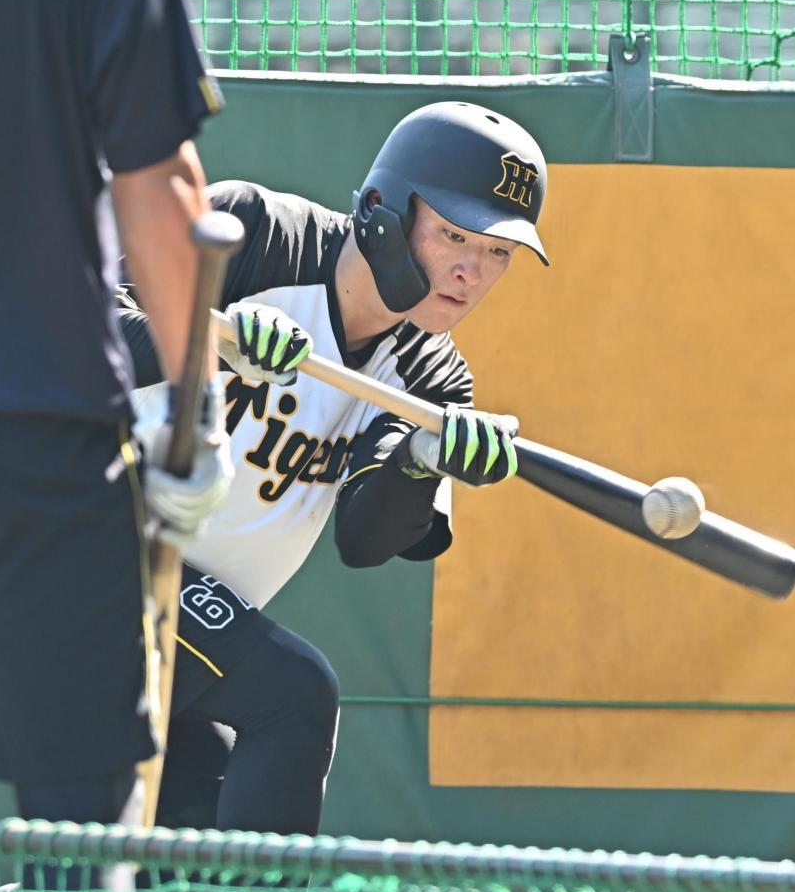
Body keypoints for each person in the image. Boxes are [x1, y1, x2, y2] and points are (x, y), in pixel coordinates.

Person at [120, 100, 549, 835]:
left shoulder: (431, 377)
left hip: (178, 630)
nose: (471, 272)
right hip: (80, 555)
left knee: (187, 837)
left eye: (497, 252)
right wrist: (204, 341)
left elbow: (365, 538)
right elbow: (74, 334)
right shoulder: (255, 233)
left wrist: (420, 459)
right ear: (380, 211)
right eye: (453, 235)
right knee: (294, 696)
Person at [0, 0, 233, 837]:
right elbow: (160, 185)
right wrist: (196, 410)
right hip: (41, 451)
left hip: (45, 436)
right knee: (81, 832)